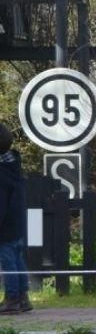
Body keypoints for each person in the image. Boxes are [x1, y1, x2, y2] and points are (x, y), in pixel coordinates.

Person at [0, 125, 28, 314]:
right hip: (16, 223)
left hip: (5, 226)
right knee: (18, 259)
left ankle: (12, 298)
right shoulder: (12, 165)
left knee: (8, 263)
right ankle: (23, 296)